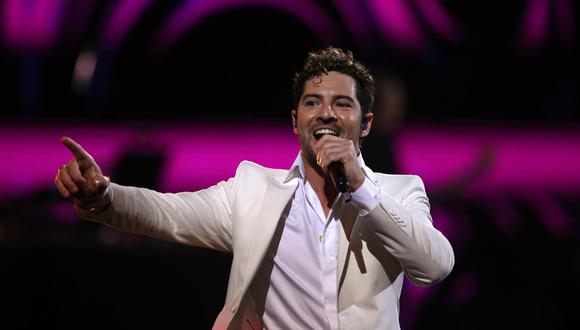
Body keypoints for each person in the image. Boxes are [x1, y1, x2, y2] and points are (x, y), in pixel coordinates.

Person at [55, 47, 454, 330]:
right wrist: (104, 196)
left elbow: (434, 266)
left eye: (342, 104)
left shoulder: (398, 191)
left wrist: (362, 187)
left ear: (365, 124)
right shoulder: (253, 191)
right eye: (313, 102)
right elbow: (166, 213)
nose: (327, 112)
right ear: (296, 122)